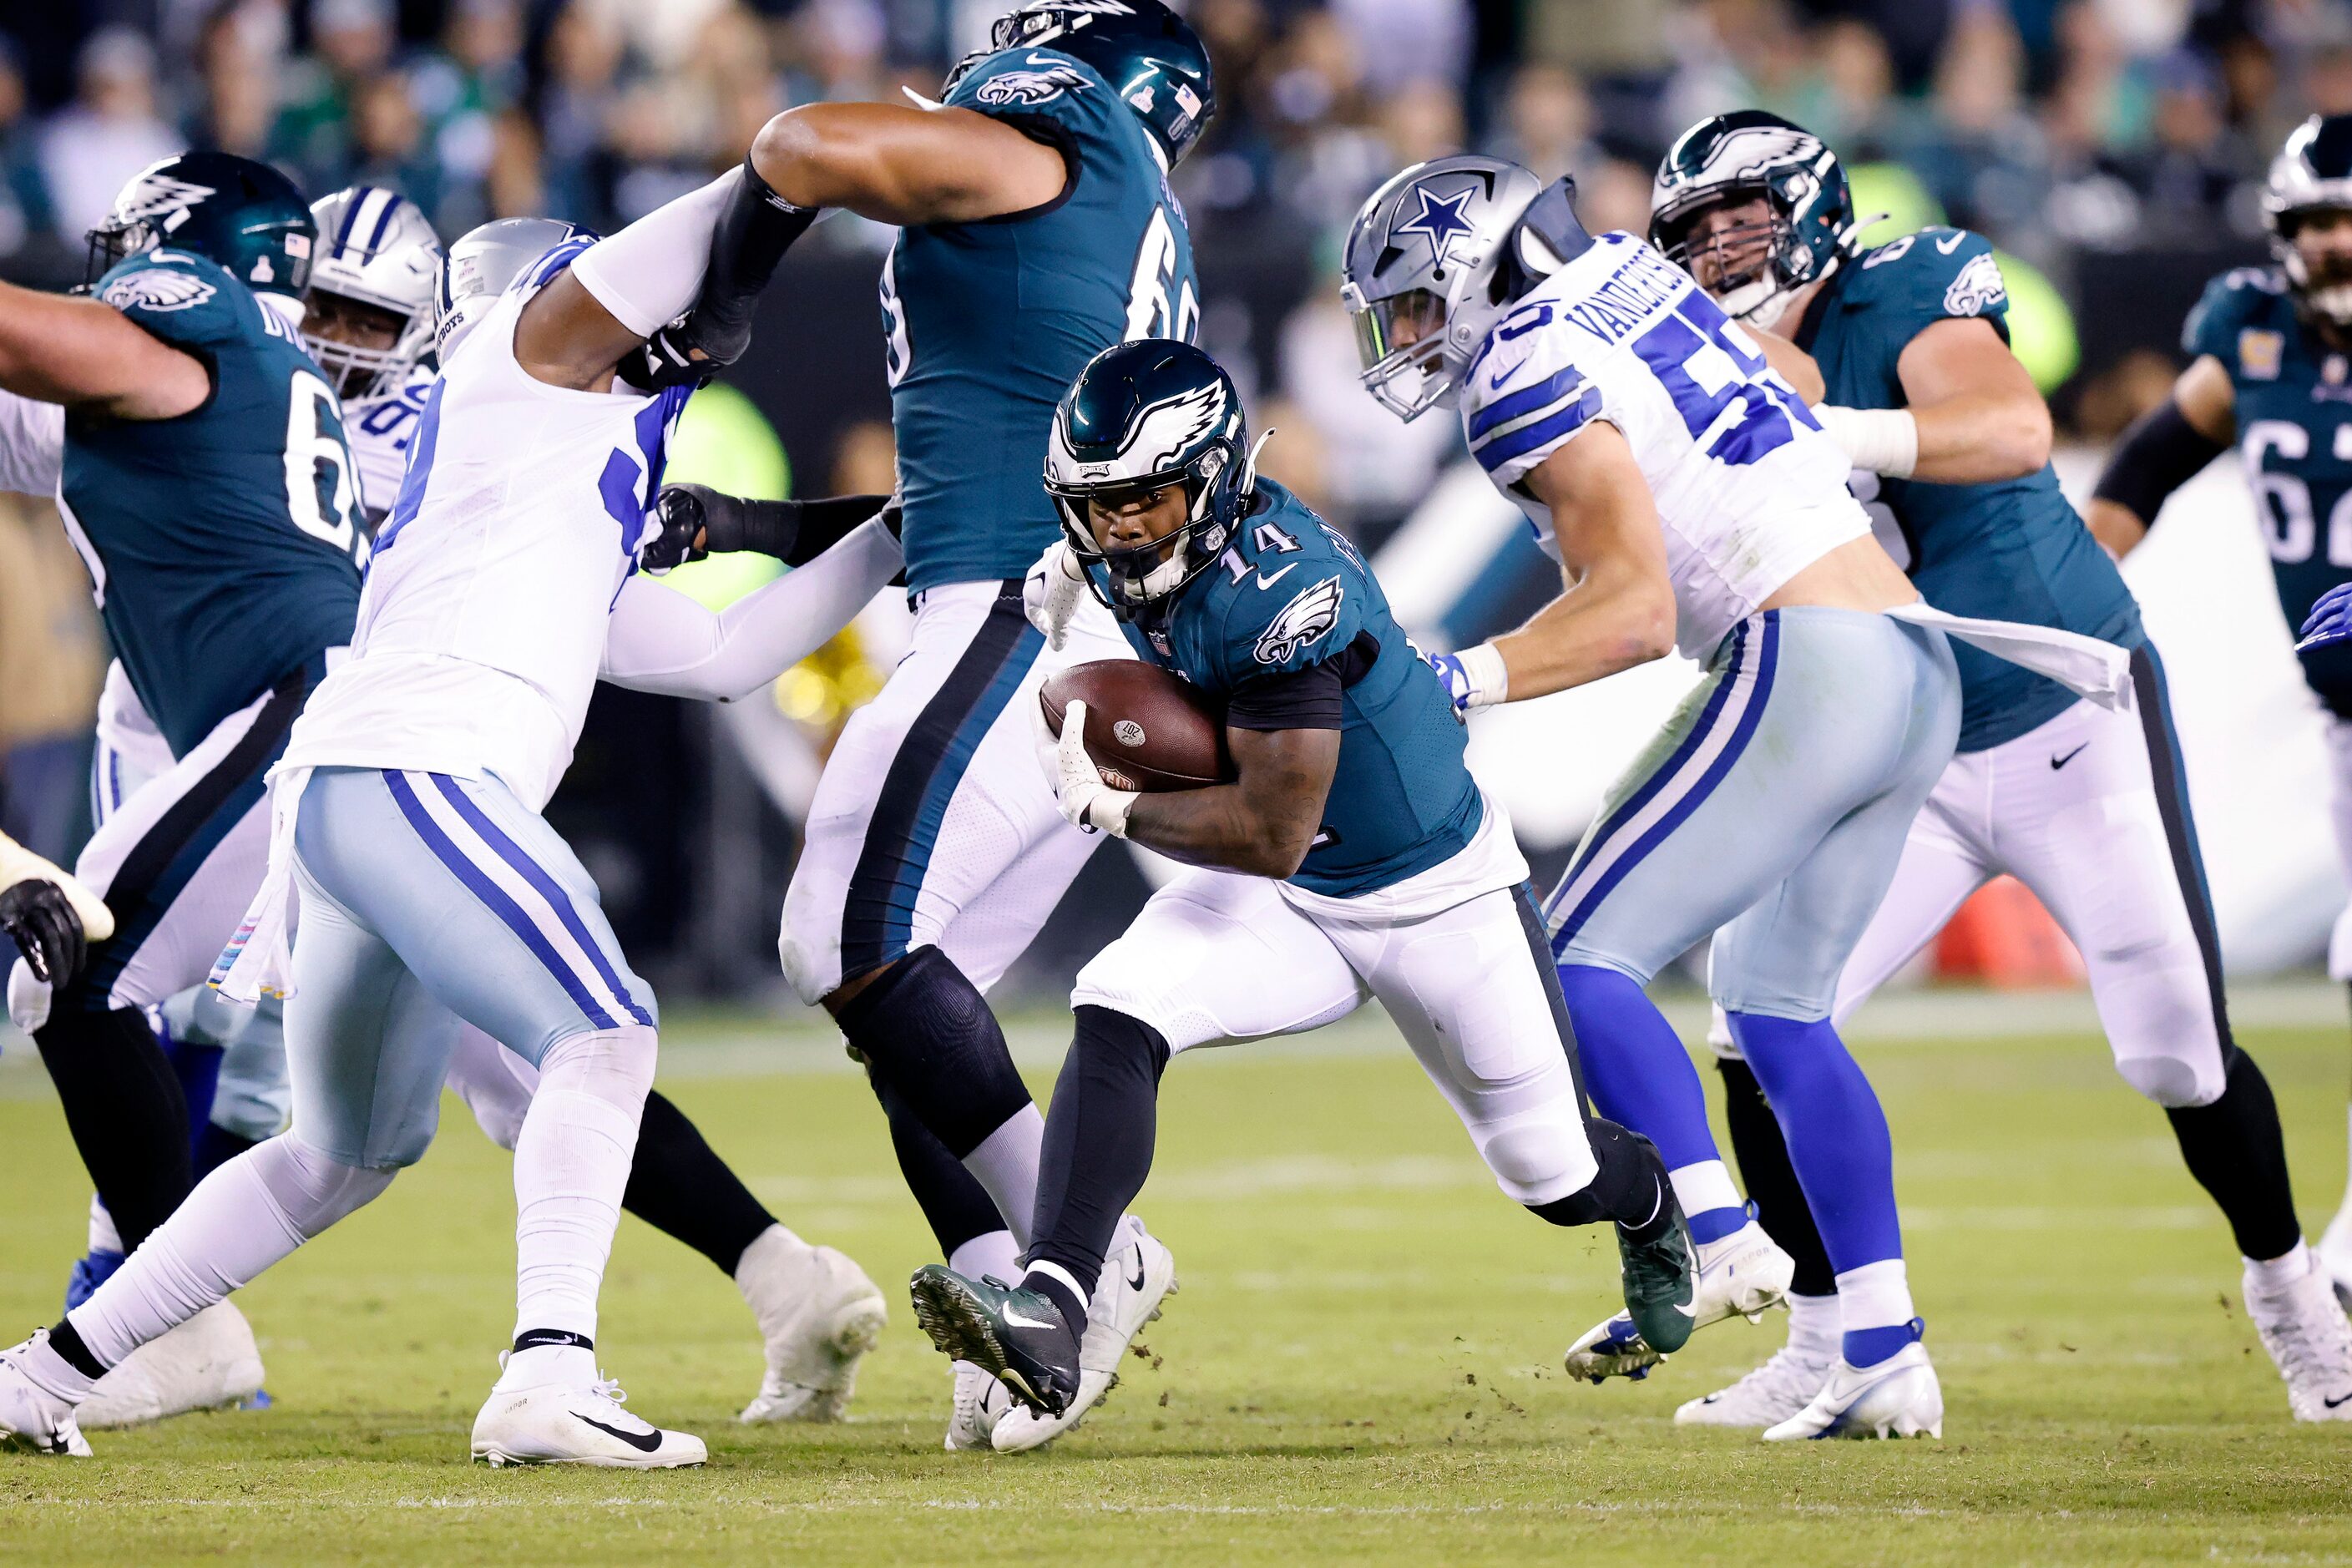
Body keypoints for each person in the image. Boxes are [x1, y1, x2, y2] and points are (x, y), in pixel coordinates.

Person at [0, 172, 896, 1461]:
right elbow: (726, 207)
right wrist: (769, 225)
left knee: (339, 1152)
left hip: (347, 786)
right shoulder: (520, 379)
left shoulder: (555, 466)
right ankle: (549, 1368)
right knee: (604, 1028)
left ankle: (45, 1375)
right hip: (414, 771)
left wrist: (884, 540)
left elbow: (711, 649)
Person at [1341, 154, 2132, 1441]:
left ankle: (1717, 1234)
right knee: (1775, 1008)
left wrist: (1457, 675)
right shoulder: (1632, 278)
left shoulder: (1523, 365)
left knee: (1574, 957)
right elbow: (1785, 391)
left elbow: (1634, 612)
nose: (1415, 339)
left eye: (1424, 302)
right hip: (1912, 660)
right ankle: (1876, 1344)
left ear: (1488, 270)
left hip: (1805, 656)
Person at [1656, 112, 2349, 1428]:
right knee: (1751, 1019)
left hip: (2065, 720)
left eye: (1742, 218)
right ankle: (1828, 1342)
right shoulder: (1689, 368)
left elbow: (2009, 427)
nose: (1719, 249)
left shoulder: (1907, 284)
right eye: (1692, 232)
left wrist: (1844, 435)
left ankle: (2290, 1294)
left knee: (2176, 1055)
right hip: (1898, 742)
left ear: (1806, 209)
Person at [903, 338, 1694, 1414]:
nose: (1118, 527)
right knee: (1118, 1003)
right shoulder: (1112, 552)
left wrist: (1117, 805)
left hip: (1431, 892)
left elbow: (1271, 828)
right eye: (1095, 503)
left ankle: (1651, 1207)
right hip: (1296, 899)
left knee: (1557, 1177)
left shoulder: (1285, 595)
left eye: (1145, 497)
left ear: (1214, 478)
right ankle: (1055, 1304)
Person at [726, 0, 1213, 1450]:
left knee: (846, 939)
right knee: (915, 1003)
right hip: (1063, 607)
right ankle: (1019, 1313)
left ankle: (1078, 1260)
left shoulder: (1061, 139)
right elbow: (958, 446)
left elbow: (800, 143)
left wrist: (725, 287)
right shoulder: (1106, 213)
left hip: (1026, 604)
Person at [0, 150, 365, 1428]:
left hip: (298, 709)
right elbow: (40, 416)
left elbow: (41, 347)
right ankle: (175, 1313)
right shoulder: (236, 384)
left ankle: (175, 1317)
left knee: (77, 970)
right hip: (310, 713)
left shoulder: (181, 316)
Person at [2090, 113, 2352, 1361]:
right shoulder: (2248, 335)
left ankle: (2344, 1256)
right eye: (2313, 224)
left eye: (2349, 220)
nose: (2335, 244)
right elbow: (2142, 472)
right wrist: (2070, 594)